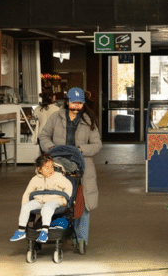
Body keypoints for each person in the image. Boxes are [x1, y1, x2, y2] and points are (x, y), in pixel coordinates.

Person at [39, 87, 102, 253]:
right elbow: (43, 136)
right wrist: (51, 148)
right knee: (57, 201)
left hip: (82, 167)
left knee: (83, 203)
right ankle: (55, 233)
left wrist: (80, 149)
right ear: (67, 102)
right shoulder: (55, 117)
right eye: (74, 102)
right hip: (58, 166)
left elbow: (97, 145)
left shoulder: (89, 120)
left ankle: (80, 239)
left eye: (80, 103)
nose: (77, 106)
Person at [10, 154, 73, 243]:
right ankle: (21, 231)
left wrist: (64, 199)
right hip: (39, 200)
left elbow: (68, 186)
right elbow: (27, 193)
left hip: (54, 200)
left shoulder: (58, 177)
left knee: (47, 208)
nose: (50, 170)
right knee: (26, 207)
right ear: (39, 169)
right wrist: (25, 204)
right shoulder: (35, 179)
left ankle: (44, 231)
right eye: (47, 168)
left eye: (52, 167)